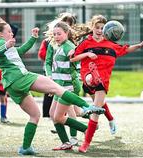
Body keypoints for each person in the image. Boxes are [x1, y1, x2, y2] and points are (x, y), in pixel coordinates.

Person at [0, 22, 105, 155]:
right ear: (1, 34)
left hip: (11, 86)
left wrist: (33, 38)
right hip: (19, 77)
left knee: (35, 115)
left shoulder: (6, 46)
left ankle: (25, 148)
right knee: (56, 88)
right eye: (9, 31)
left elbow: (21, 50)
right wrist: (5, 45)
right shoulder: (1, 43)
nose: (12, 33)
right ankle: (86, 107)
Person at [70, 15, 143, 153]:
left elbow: (126, 49)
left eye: (102, 28)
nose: (100, 30)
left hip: (103, 81)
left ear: (107, 30)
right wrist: (87, 55)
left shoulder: (111, 45)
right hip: (87, 75)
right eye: (97, 27)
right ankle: (93, 80)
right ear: (92, 28)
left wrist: (139, 45)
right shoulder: (86, 43)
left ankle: (86, 144)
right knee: (92, 85)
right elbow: (73, 59)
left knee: (96, 109)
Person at [45, 21, 83, 150]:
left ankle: (86, 130)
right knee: (52, 114)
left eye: (59, 34)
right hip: (59, 86)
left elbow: (75, 58)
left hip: (69, 86)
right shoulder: (58, 46)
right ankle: (67, 143)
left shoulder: (68, 46)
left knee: (59, 116)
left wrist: (79, 54)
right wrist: (51, 82)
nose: (56, 36)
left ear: (66, 33)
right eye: (54, 34)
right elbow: (49, 63)